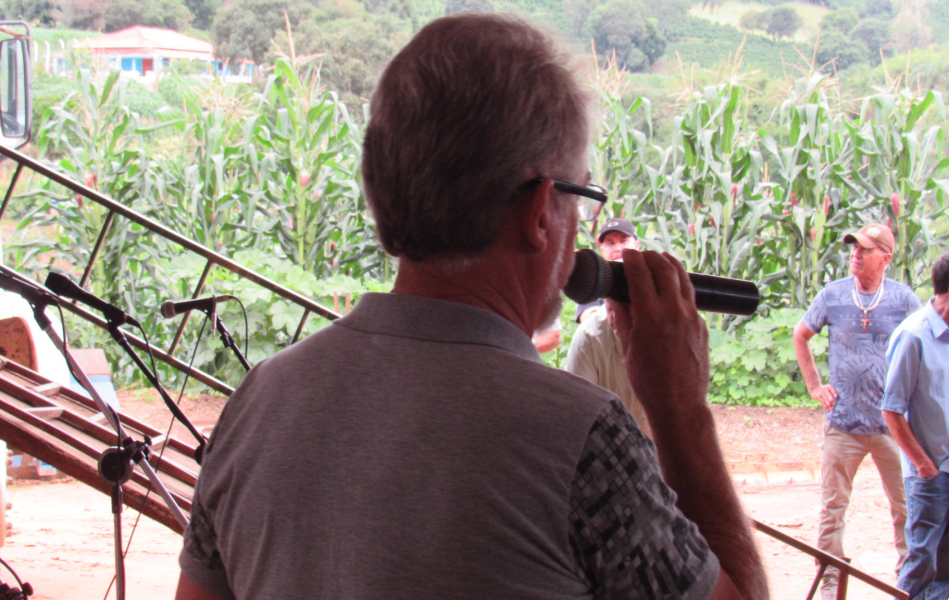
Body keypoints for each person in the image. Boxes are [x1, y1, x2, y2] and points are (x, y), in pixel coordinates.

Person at [176, 13, 767, 600]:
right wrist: (681, 408)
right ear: (541, 210)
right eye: (581, 196)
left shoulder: (256, 404)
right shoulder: (582, 438)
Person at [793, 222, 921, 600]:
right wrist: (816, 386)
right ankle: (830, 581)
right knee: (833, 507)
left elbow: (923, 346)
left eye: (865, 249)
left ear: (885, 257)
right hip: (842, 423)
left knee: (905, 507)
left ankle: (909, 579)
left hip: (890, 426)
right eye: (853, 247)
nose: (855, 254)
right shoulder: (833, 295)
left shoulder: (903, 300)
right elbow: (801, 335)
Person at [882, 252, 949, 599]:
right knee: (922, 557)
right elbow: (891, 409)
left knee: (947, 565)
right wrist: (923, 464)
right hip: (930, 471)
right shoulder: (913, 336)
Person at [566, 217, 650, 436]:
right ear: (601, 248)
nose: (618, 248)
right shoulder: (591, 290)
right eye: (611, 243)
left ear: (637, 245)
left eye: (624, 240)